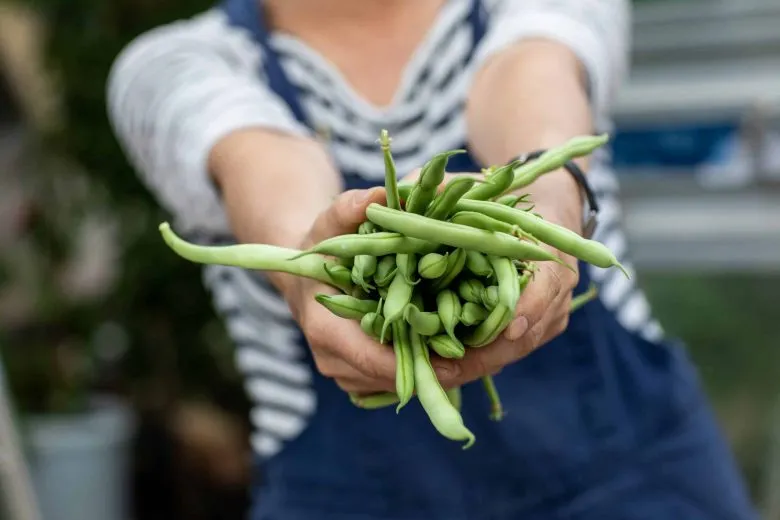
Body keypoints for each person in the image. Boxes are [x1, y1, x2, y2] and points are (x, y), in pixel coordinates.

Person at [107, 1, 758, 518]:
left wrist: (550, 198)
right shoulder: (173, 63)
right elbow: (266, 164)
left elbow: (531, 77)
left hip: (641, 483)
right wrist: (314, 266)